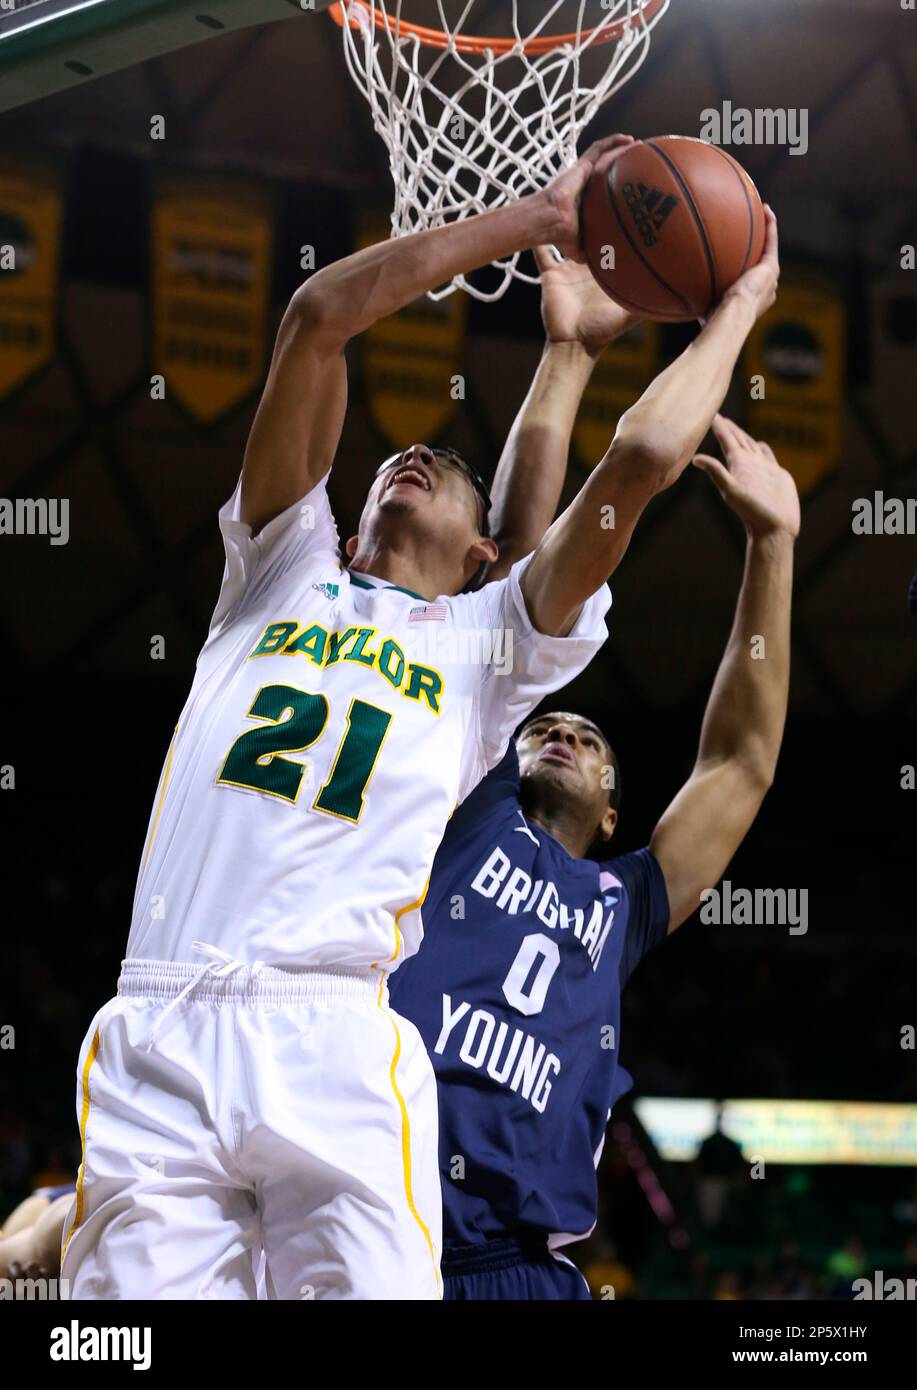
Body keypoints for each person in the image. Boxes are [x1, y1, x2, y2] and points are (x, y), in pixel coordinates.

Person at [59, 133, 718, 1301]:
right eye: (391, 459)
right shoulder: (277, 567)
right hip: (161, 1018)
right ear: (348, 513)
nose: (410, 452)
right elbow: (317, 315)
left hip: (334, 1032)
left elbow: (637, 463)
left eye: (446, 465)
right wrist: (536, 218)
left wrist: (740, 294)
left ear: (479, 556)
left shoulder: (481, 645)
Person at [389, 267, 798, 1296]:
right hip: (373, 1229)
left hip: (522, 1269)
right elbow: (527, 577)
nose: (562, 729)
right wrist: (565, 356)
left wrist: (772, 545)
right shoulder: (462, 808)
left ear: (613, 809)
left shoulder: (620, 904)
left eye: (589, 737)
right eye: (549, 725)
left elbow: (738, 763)